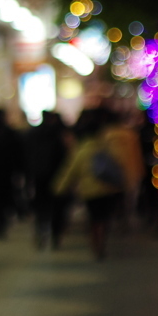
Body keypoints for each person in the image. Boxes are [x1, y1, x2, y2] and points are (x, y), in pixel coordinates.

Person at [53, 109, 127, 259]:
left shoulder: (81, 151)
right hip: (107, 190)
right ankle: (101, 243)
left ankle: (96, 245)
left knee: (94, 219)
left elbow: (71, 171)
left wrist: (60, 187)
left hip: (89, 192)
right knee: (104, 218)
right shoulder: (106, 148)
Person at [25, 111, 69, 249]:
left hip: (39, 177)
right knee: (57, 208)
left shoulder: (32, 134)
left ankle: (41, 233)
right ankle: (55, 237)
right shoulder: (60, 135)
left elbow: (27, 157)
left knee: (41, 208)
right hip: (57, 177)